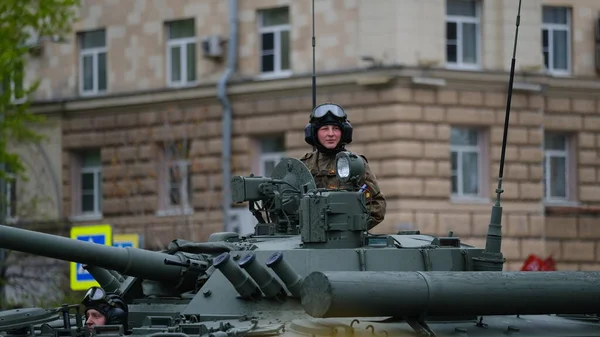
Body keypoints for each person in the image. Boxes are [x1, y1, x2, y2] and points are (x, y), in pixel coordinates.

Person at [300, 102, 387, 229]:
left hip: (344, 241)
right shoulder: (304, 165)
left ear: (344, 132)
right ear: (314, 133)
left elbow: (377, 206)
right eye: (324, 129)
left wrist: (351, 227)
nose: (331, 134)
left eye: (336, 129)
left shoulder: (355, 164)